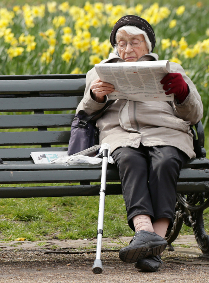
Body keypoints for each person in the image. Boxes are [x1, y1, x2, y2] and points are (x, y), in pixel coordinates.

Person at [76, 15, 203, 272]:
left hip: (167, 134)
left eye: (134, 42)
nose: (127, 49)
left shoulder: (172, 69)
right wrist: (95, 95)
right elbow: (84, 113)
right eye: (121, 43)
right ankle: (147, 233)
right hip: (121, 135)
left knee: (165, 161)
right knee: (131, 160)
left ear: (148, 45)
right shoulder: (100, 70)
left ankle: (152, 239)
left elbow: (195, 114)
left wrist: (182, 93)